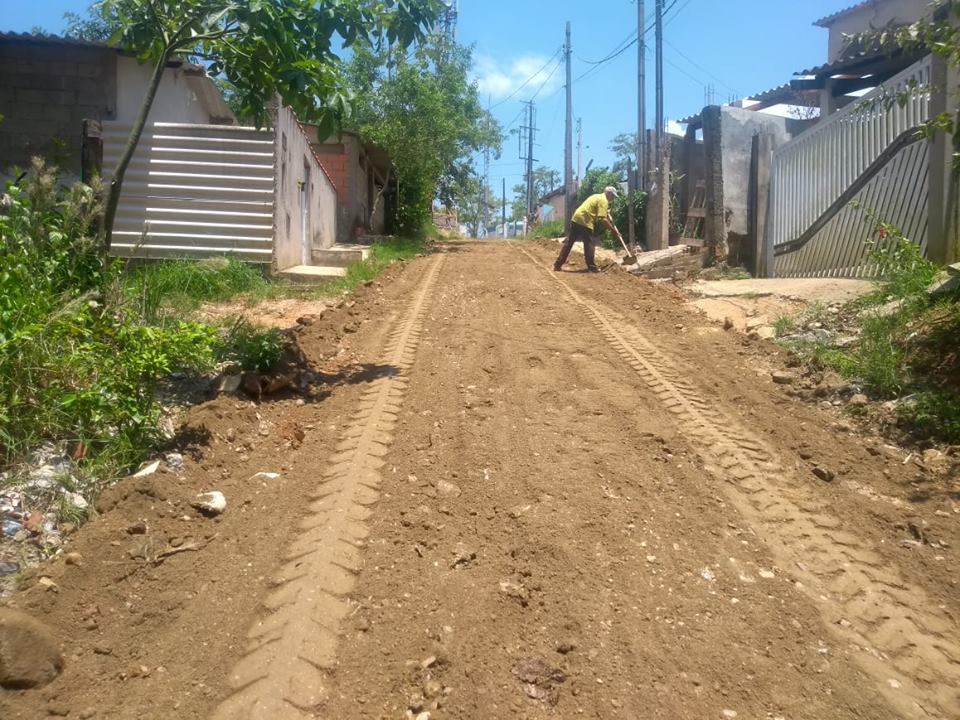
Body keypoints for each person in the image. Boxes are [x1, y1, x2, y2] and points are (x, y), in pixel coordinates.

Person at [554, 186, 625, 273]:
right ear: (609, 193)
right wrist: (614, 231)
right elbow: (603, 219)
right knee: (589, 243)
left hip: (576, 218)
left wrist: (606, 212)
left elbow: (598, 211)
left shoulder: (597, 196)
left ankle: (558, 264)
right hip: (585, 220)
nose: (613, 198)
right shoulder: (604, 201)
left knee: (569, 242)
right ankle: (592, 267)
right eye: (613, 196)